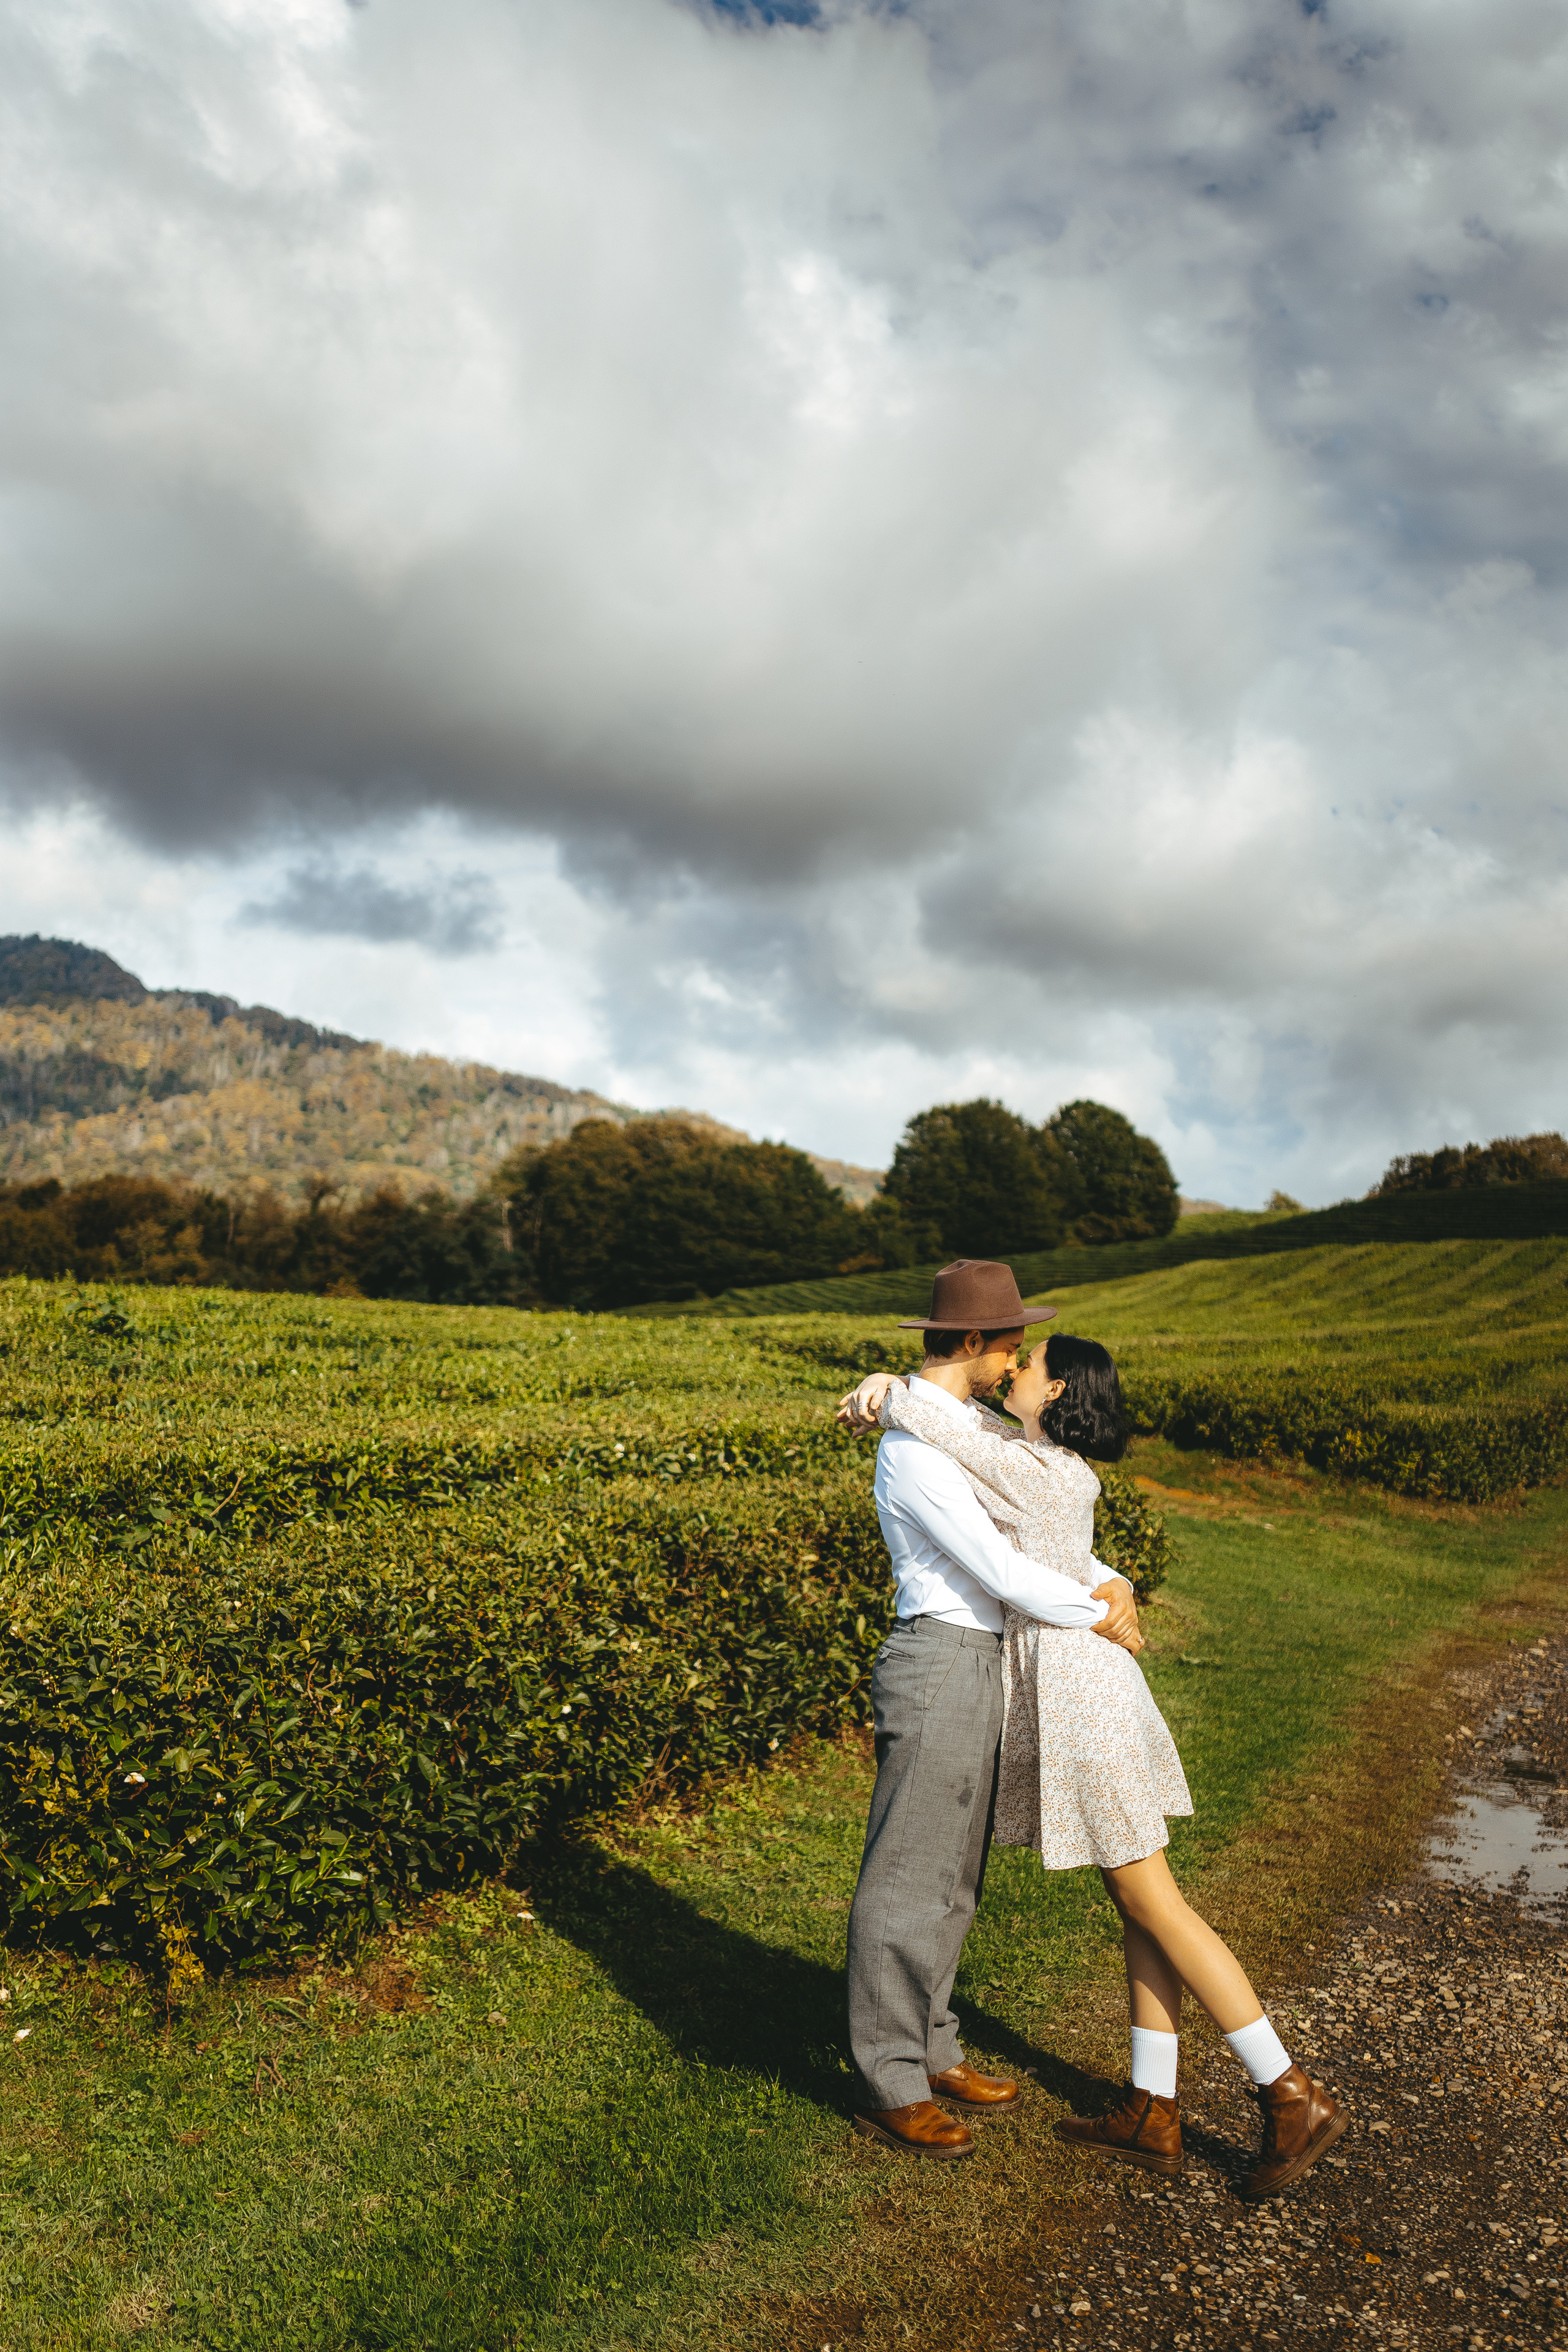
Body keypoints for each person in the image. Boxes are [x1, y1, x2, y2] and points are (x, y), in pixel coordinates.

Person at [840, 1317, 1347, 2199]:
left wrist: (890, 1391)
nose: (1012, 1375)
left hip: (1082, 1694)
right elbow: (972, 1429)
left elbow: (951, 1427)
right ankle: (1152, 2108)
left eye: (1027, 1365)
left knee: (1160, 1905)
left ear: (1059, 1390)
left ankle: (1288, 2092)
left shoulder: (1032, 1470)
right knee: (1138, 1907)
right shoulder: (1052, 1465)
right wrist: (894, 1382)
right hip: (1092, 1689)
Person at [832, 1257, 1143, 2163]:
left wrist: (1109, 1575)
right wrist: (1104, 1618)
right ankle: (889, 2077)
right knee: (906, 1874)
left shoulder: (951, 1421)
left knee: (955, 1872)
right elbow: (1001, 1570)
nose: (1015, 1362)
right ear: (971, 1342)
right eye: (1009, 1345)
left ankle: (932, 2045)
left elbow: (1041, 1527)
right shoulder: (915, 1448)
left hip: (981, 1660)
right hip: (939, 1657)